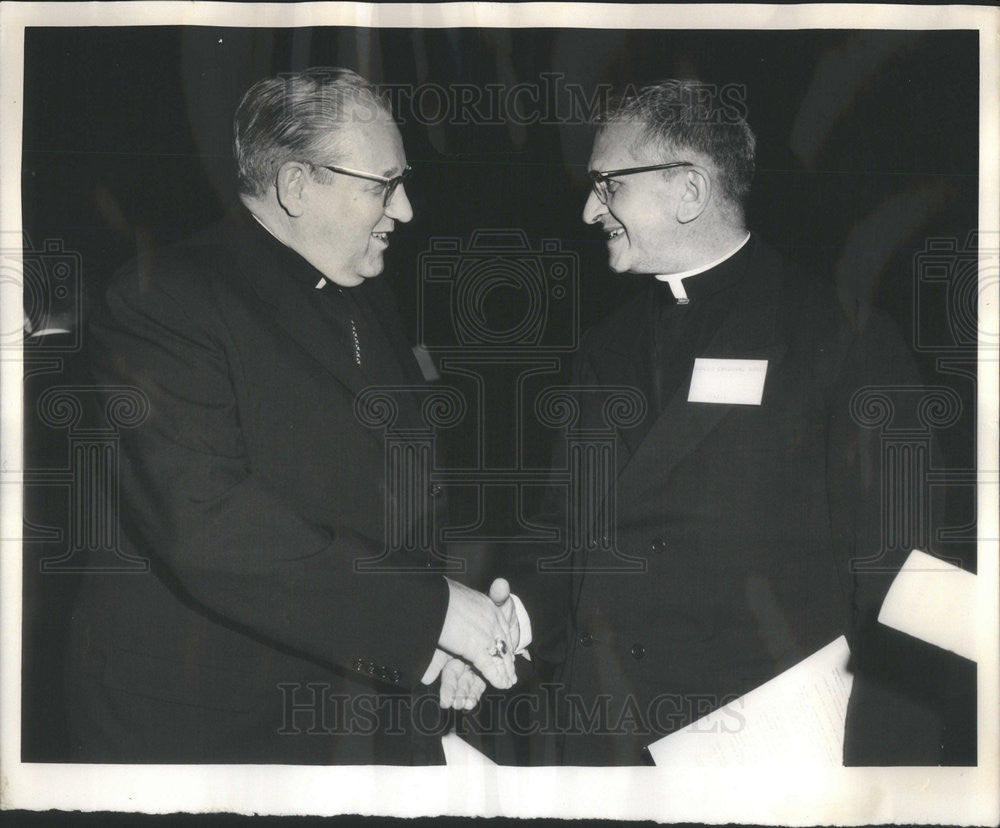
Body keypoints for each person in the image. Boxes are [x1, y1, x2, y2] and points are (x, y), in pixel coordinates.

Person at [65, 67, 523, 765]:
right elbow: (209, 528)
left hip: (365, 714)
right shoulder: (164, 302)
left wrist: (434, 645)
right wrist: (431, 614)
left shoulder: (368, 296)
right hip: (219, 739)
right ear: (297, 186)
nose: (404, 211)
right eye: (383, 185)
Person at [511, 79, 947, 765]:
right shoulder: (602, 347)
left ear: (688, 191)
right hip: (601, 740)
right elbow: (565, 542)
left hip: (763, 754)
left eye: (608, 185)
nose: (590, 210)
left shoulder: (843, 337)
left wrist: (887, 779)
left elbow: (905, 583)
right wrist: (516, 621)